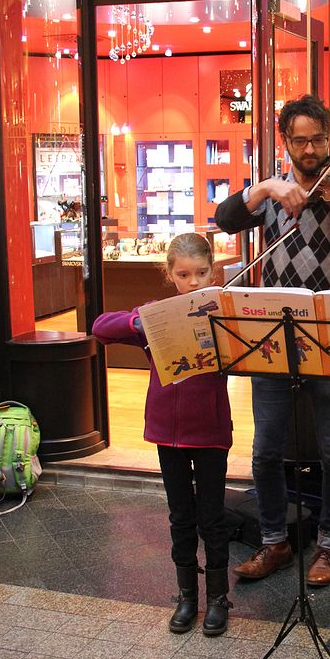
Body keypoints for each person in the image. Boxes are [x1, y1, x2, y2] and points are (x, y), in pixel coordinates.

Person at [215, 94, 330, 586]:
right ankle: (272, 542)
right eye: (301, 140)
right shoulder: (275, 195)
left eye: (319, 140)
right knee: (264, 450)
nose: (310, 149)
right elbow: (225, 219)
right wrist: (263, 189)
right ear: (286, 141)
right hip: (274, 335)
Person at [92, 233, 233, 637]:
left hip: (210, 431)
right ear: (169, 274)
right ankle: (187, 595)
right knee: (180, 516)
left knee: (212, 516)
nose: (193, 282)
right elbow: (102, 327)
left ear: (214, 269)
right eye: (183, 275)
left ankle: (219, 597)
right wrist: (141, 320)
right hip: (167, 433)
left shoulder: (221, 314)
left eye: (202, 273)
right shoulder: (154, 313)